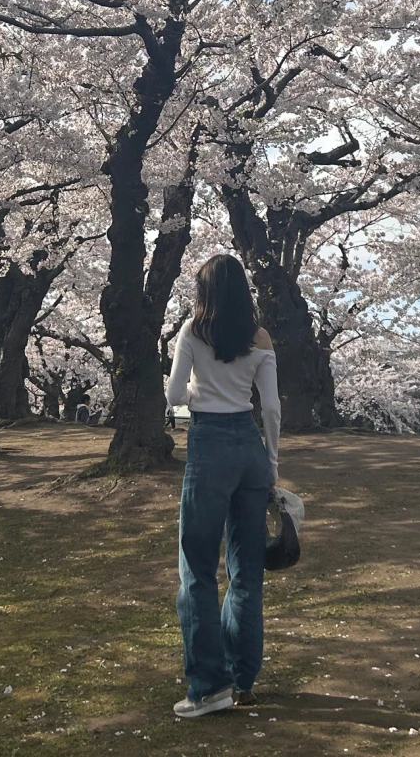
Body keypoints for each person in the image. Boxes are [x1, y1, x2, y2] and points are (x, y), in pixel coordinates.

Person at [167, 253, 282, 719]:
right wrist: (272, 463)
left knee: (197, 568)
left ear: (204, 290)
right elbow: (270, 407)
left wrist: (200, 391)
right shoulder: (261, 338)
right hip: (250, 446)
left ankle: (208, 687)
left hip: (209, 444)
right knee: (246, 569)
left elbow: (174, 396)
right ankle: (243, 680)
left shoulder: (193, 331)